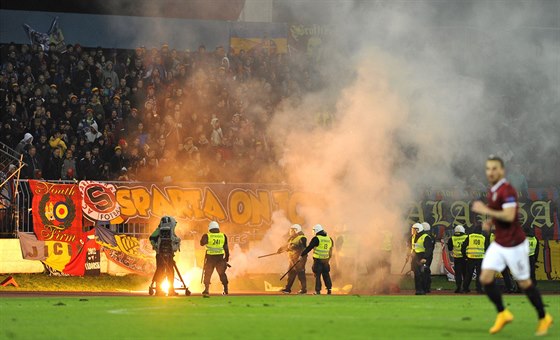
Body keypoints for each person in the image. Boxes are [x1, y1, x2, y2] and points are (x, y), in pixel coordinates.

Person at [472, 155, 552, 335]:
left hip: (514, 242)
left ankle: (543, 316)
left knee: (524, 283)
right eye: (488, 169)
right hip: (501, 241)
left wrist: (485, 211)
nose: (490, 172)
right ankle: (503, 313)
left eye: (494, 169)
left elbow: (508, 216)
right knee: (485, 278)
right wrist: (490, 222)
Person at [149, 216, 181, 296]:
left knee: (160, 271)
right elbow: (152, 238)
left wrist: (155, 246)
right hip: (166, 254)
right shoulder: (163, 230)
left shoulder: (159, 230)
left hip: (160, 254)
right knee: (168, 271)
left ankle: (159, 290)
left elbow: (152, 238)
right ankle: (169, 290)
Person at [300, 224, 334, 295]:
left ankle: (317, 291)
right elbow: (330, 250)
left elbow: (309, 248)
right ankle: (329, 289)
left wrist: (302, 255)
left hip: (318, 260)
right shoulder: (329, 239)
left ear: (316, 230)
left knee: (317, 275)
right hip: (326, 261)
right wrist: (328, 259)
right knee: (326, 275)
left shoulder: (316, 238)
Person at [200, 221, 229, 296]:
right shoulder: (223, 236)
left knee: (207, 274)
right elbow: (226, 248)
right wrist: (226, 258)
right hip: (220, 258)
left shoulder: (207, 236)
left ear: (209, 228)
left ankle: (206, 290)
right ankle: (225, 289)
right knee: (222, 274)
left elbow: (201, 243)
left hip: (210, 259)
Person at [278, 224, 307, 294]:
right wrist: (281, 249)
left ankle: (303, 289)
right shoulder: (292, 238)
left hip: (299, 258)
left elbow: (303, 248)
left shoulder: (302, 238)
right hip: (293, 259)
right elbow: (288, 245)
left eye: (292, 230)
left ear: (296, 230)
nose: (290, 231)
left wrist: (301, 256)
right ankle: (287, 289)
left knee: (300, 273)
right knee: (291, 273)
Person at [461, 224, 488, 293]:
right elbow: (487, 248)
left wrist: (465, 256)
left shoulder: (470, 236)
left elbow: (463, 246)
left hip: (471, 258)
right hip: (480, 258)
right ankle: (479, 289)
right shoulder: (483, 237)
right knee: (480, 274)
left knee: (469, 274)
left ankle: (465, 288)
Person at [447, 225, 468, 293]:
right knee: (465, 273)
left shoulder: (452, 238)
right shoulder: (466, 237)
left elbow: (450, 248)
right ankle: (465, 288)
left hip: (457, 258)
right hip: (465, 258)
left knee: (458, 274)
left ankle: (458, 287)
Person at [421, 222, 434, 293]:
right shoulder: (431, 237)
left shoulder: (425, 237)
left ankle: (425, 288)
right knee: (426, 271)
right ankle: (427, 288)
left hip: (424, 257)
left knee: (424, 272)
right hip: (429, 257)